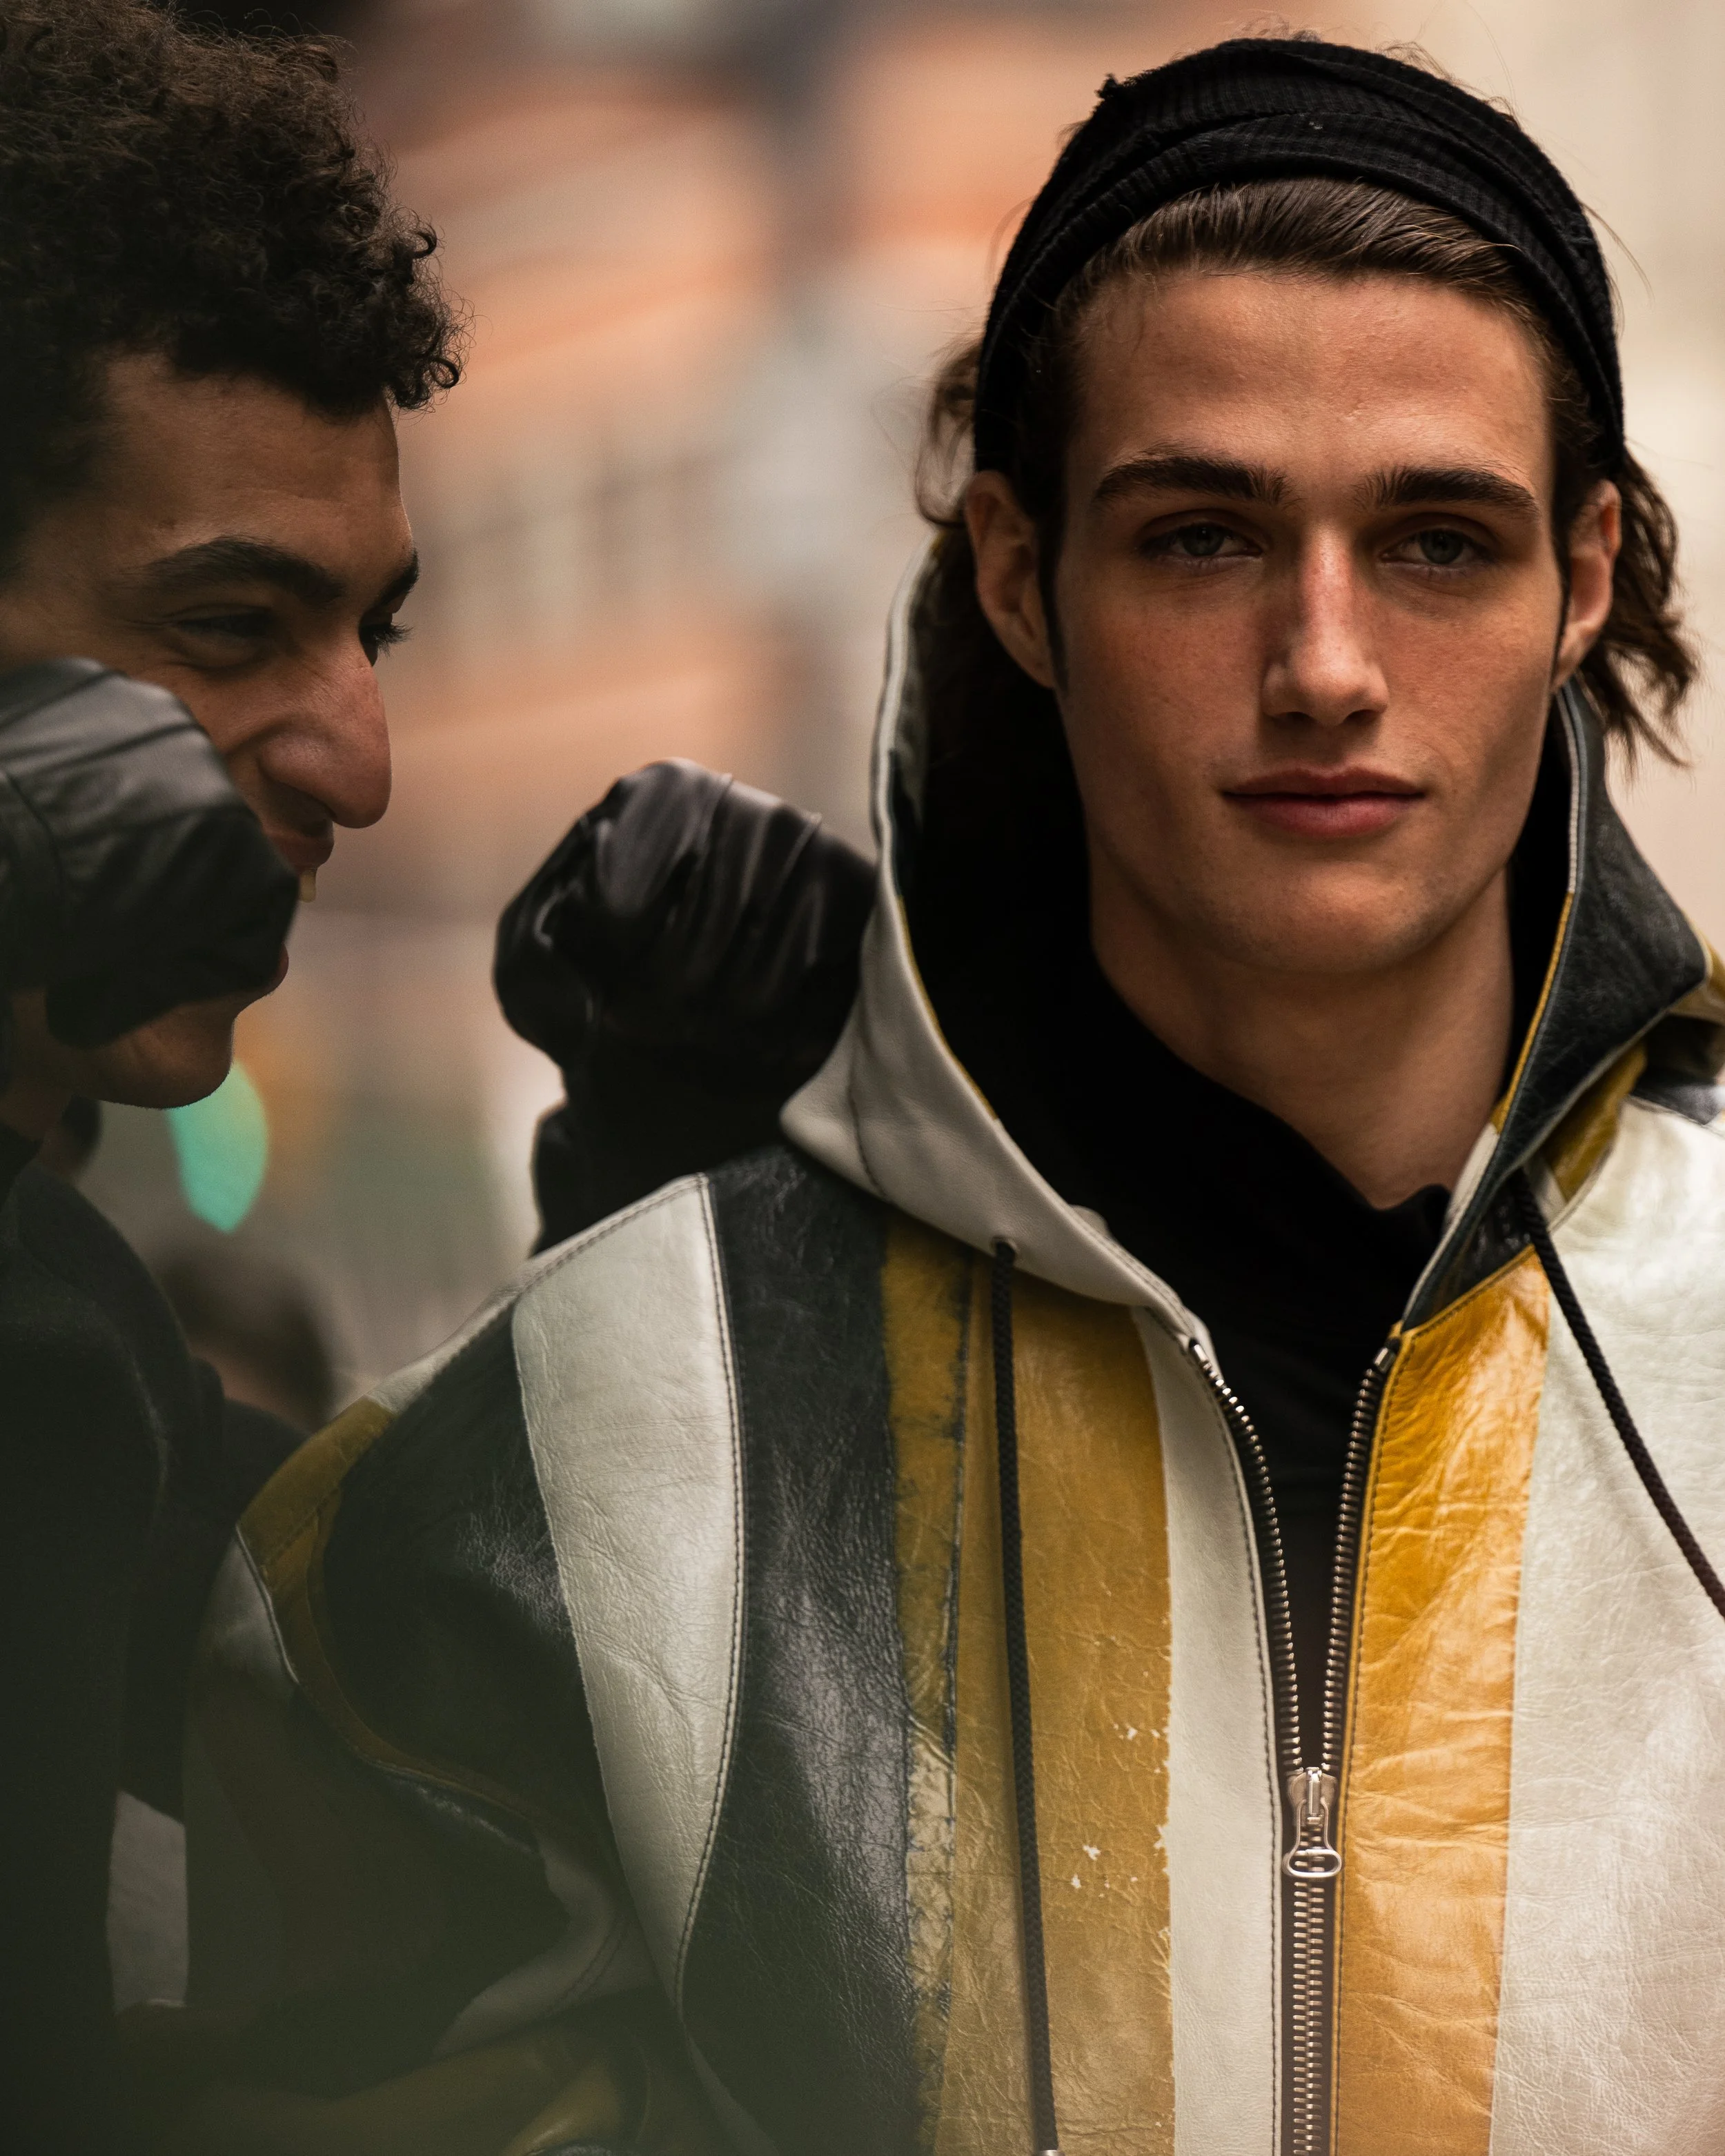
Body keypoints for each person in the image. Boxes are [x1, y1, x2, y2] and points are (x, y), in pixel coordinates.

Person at [155, 35, 1725, 2156]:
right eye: (1199, 537)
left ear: (1589, 575)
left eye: (1436, 538)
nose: (1325, 658)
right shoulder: (592, 1435)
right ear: (1013, 572)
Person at [0, 4, 461, 2146]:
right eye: (228, 623)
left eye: (370, 629)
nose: (354, 756)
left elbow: (414, 1692)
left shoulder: (71, 1310)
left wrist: (715, 1163)